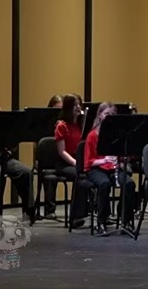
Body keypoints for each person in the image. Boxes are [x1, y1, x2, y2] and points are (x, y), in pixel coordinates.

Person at [83, 102, 137, 233]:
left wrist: (124, 158)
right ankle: (101, 221)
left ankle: (125, 219)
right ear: (100, 115)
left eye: (113, 115)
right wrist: (104, 160)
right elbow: (88, 162)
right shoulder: (93, 136)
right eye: (107, 114)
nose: (110, 117)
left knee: (129, 184)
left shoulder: (118, 135)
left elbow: (124, 156)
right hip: (96, 169)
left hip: (114, 168)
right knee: (104, 184)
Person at [48, 94, 89, 226]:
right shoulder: (61, 125)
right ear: (68, 107)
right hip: (65, 163)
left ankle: (99, 213)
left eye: (79, 104)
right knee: (80, 176)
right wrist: (75, 163)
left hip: (79, 160)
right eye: (75, 105)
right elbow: (62, 151)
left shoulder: (81, 124)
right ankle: (76, 216)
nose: (78, 108)